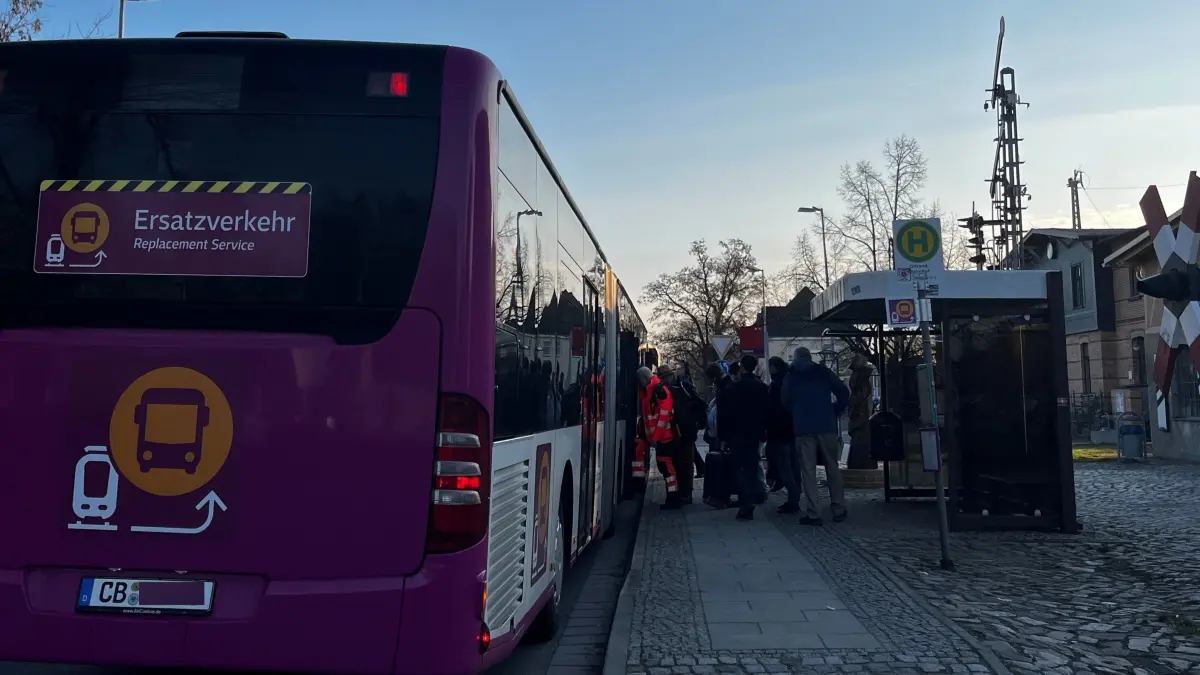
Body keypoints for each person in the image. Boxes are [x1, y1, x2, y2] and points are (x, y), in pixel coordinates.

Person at [782, 346, 851, 525]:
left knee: (808, 471)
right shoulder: (822, 372)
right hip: (826, 425)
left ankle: (813, 512)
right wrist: (835, 410)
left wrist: (797, 412)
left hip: (804, 428)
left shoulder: (791, 376)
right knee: (832, 467)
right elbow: (843, 391)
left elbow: (785, 401)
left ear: (796, 358)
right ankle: (838, 508)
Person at [716, 354, 770, 520]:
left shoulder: (731, 389)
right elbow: (766, 413)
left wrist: (722, 438)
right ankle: (752, 497)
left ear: (742, 367)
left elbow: (723, 415)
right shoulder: (762, 387)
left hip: (736, 434)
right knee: (752, 466)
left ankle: (746, 501)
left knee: (739, 468)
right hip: (754, 434)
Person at [637, 365, 684, 509]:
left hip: (666, 438)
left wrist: (656, 438)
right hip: (662, 438)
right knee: (666, 468)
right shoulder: (651, 390)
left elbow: (664, 416)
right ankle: (673, 497)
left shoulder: (658, 390)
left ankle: (674, 498)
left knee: (667, 468)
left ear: (644, 379)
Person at [658, 364, 699, 505]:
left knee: (684, 464)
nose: (663, 381)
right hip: (686, 431)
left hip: (683, 432)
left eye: (663, 378)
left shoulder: (674, 390)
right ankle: (685, 493)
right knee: (683, 464)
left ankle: (685, 494)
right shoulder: (683, 386)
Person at [766, 356, 803, 513]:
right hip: (793, 430)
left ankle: (793, 498)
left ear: (774, 368)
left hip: (779, 432)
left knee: (784, 467)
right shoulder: (791, 382)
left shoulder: (775, 386)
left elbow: (772, 410)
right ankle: (796, 495)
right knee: (795, 466)